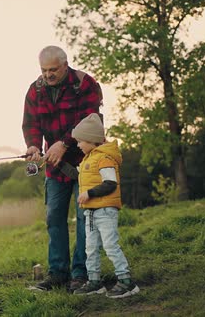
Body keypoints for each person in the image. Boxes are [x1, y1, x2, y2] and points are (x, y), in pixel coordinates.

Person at [22, 45, 102, 292]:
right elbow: (30, 124)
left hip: (85, 161)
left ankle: (81, 274)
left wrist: (63, 144)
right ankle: (57, 274)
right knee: (53, 217)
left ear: (65, 65)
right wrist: (34, 146)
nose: (48, 75)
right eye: (44, 70)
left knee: (83, 218)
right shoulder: (35, 91)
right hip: (55, 167)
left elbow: (89, 120)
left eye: (53, 69)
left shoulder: (85, 84)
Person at [64, 113, 140, 298]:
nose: (78, 145)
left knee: (110, 246)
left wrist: (89, 193)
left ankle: (126, 281)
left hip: (105, 211)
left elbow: (110, 183)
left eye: (80, 141)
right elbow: (76, 175)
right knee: (90, 248)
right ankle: (94, 281)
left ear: (91, 140)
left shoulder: (105, 158)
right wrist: (58, 164)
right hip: (90, 212)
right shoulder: (87, 159)